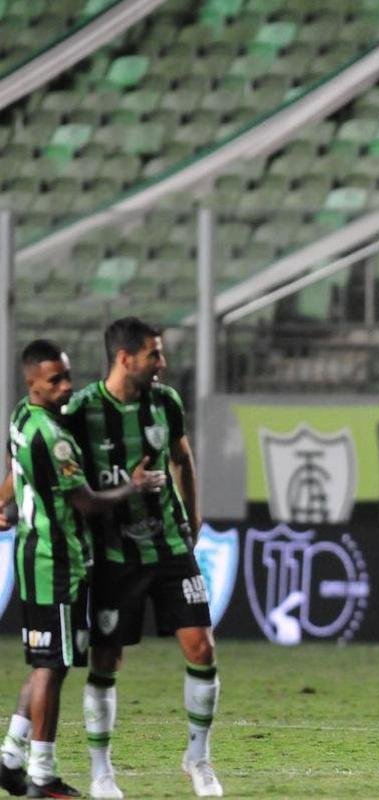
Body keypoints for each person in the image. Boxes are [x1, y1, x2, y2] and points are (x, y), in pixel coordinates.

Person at [58, 318, 219, 799]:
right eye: (154, 354)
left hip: (170, 544)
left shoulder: (164, 402)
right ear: (125, 358)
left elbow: (182, 459)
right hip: (113, 554)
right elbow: (52, 464)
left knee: (202, 648)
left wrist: (194, 519)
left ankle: (198, 758)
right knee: (106, 659)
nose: (162, 363)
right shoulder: (82, 410)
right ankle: (102, 772)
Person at [0, 341, 165, 800]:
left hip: (34, 557)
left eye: (67, 375)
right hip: (59, 562)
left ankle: (11, 757)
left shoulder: (21, 416)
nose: (66, 386)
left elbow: (16, 466)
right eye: (55, 380)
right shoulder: (54, 438)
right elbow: (87, 502)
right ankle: (42, 775)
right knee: (52, 667)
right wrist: (132, 487)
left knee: (43, 661)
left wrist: (3, 498)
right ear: (31, 382)